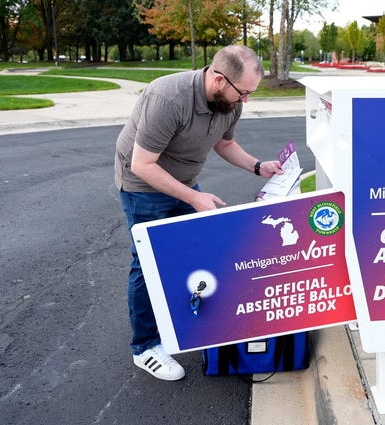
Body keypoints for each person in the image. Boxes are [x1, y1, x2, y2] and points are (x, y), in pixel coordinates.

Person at [114, 45, 283, 381]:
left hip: (183, 180)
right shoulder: (167, 98)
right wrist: (193, 197)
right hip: (143, 184)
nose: (246, 101)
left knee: (199, 249)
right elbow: (142, 164)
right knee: (147, 262)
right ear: (218, 80)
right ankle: (145, 347)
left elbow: (224, 143)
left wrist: (258, 166)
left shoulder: (228, 101)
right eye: (244, 93)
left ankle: (181, 318)